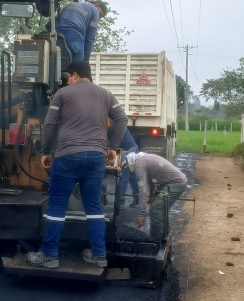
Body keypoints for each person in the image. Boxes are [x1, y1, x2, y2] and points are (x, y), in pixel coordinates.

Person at [27, 61, 127, 269]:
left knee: (56, 205)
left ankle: (49, 255)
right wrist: (112, 147)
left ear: (74, 75)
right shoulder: (106, 95)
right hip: (97, 158)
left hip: (68, 156)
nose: (66, 81)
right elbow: (122, 119)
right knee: (94, 207)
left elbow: (51, 124)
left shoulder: (63, 94)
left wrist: (45, 151)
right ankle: (99, 255)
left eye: (67, 77)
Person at [127, 152, 187, 240]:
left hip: (175, 183)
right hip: (174, 181)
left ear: (131, 164)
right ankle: (161, 232)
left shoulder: (139, 165)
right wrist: (152, 196)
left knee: (156, 208)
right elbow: (153, 180)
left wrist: (140, 216)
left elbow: (143, 192)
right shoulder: (144, 159)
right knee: (158, 206)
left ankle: (155, 239)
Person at [114, 128, 140, 208]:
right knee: (131, 175)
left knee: (123, 174)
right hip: (120, 148)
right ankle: (137, 198)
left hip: (128, 149)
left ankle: (120, 200)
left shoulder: (113, 123)